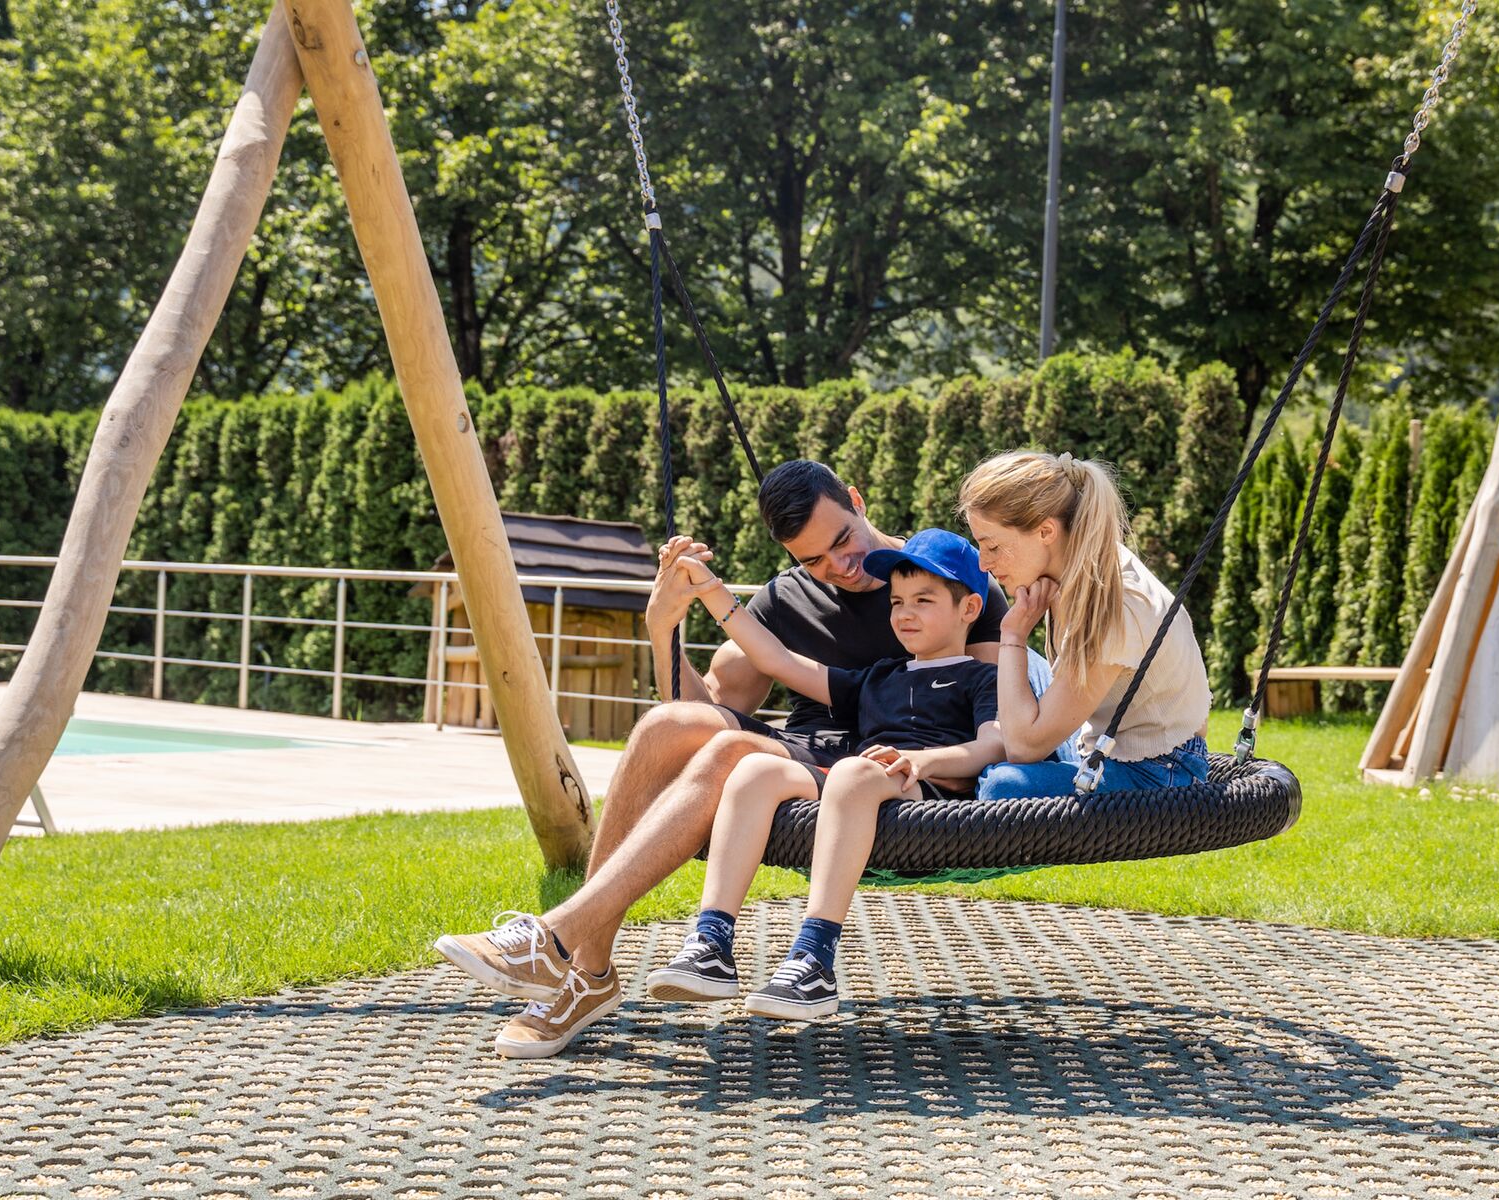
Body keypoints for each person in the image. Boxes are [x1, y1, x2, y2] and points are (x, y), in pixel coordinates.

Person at [430, 461, 1012, 1058]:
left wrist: (939, 761)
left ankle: (556, 942)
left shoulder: (951, 579)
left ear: (858, 502)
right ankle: (586, 969)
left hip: (889, 771)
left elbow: (995, 705)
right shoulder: (786, 600)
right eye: (812, 560)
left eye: (841, 540)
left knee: (733, 749)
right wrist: (664, 629)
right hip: (803, 754)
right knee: (664, 725)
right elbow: (698, 708)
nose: (838, 566)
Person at [643, 529, 1004, 1019]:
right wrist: (709, 588)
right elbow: (774, 658)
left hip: (929, 792)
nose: (905, 613)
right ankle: (712, 942)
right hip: (860, 782)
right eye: (897, 601)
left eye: (924, 600)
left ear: (968, 609)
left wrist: (925, 761)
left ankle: (814, 959)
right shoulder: (879, 677)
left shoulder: (982, 677)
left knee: (854, 772)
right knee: (754, 770)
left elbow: (995, 743)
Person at [961, 450, 1213, 800]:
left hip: (1161, 773)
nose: (984, 564)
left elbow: (1023, 747)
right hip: (1103, 752)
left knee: (1004, 788)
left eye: (992, 546)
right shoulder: (1073, 570)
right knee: (983, 769)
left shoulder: (1115, 603)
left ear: (1046, 531)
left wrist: (1013, 636)